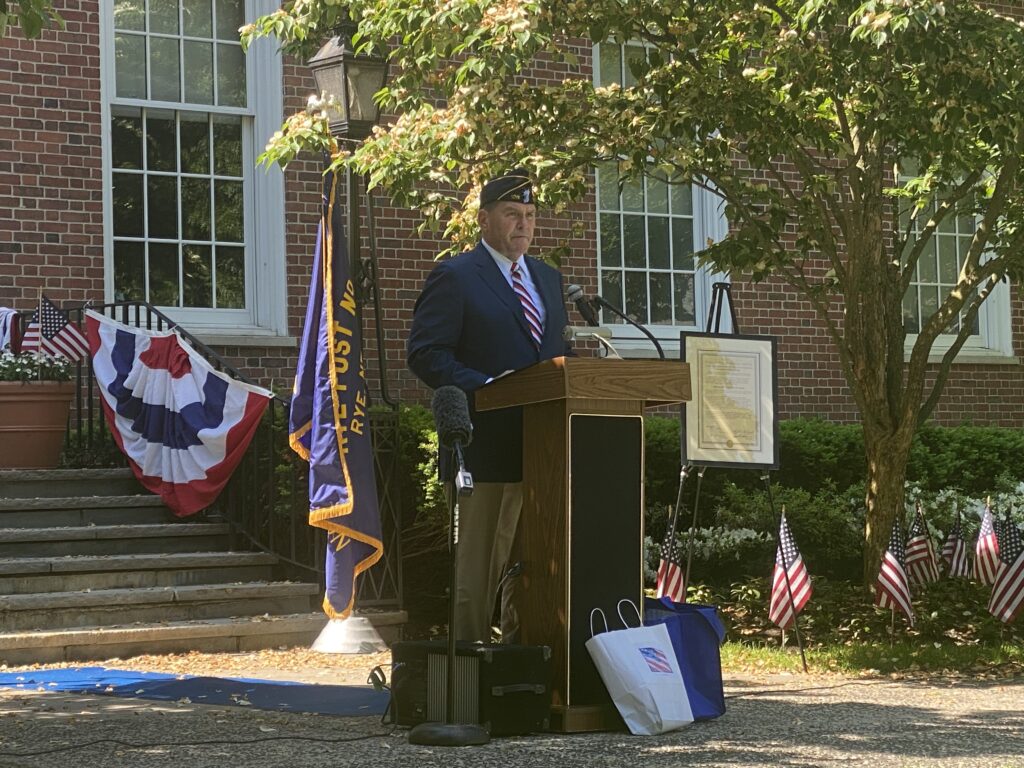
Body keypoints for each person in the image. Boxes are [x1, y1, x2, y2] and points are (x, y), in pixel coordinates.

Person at [407, 168, 573, 643]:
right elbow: (425, 353)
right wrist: (486, 384)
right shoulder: (456, 276)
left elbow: (555, 353)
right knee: (477, 574)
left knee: (534, 570)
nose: (523, 225)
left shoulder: (547, 277)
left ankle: (522, 672)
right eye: (511, 215)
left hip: (543, 450)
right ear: (483, 220)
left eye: (530, 216)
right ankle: (469, 676)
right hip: (482, 447)